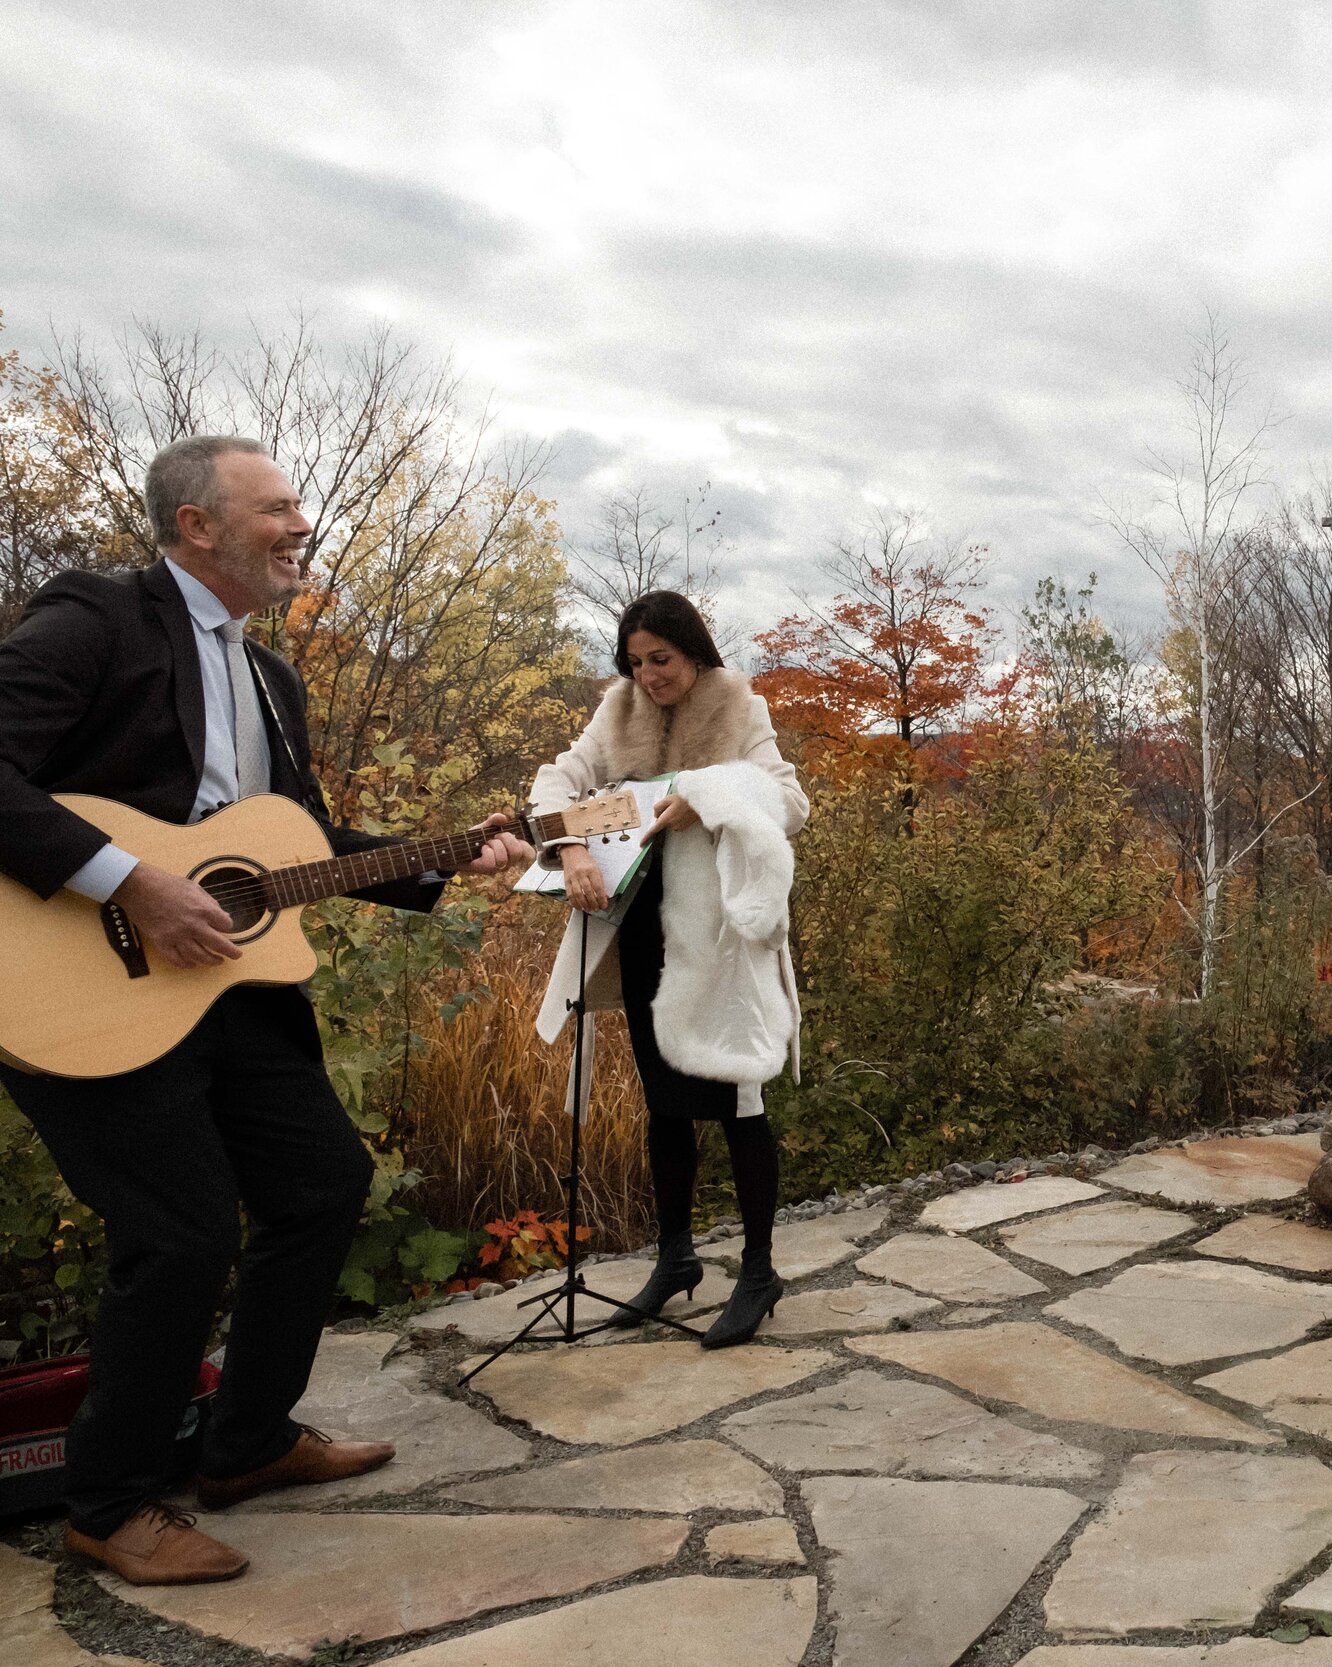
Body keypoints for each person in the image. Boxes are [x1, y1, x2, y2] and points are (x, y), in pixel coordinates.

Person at [0, 436, 531, 1585]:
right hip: (74, 979)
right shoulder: (98, 619)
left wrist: (451, 857)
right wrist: (132, 881)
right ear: (198, 526)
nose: (303, 524)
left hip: (221, 985)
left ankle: (244, 1444)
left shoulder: (270, 680)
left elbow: (293, 850)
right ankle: (108, 1501)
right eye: (279, 506)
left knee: (320, 1182)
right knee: (180, 1230)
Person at [529, 592, 807, 1349]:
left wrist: (704, 795)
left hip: (721, 938)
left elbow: (789, 799)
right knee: (663, 1100)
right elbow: (555, 782)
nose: (648, 674)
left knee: (739, 1096)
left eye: (662, 659)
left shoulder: (738, 705)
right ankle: (676, 1257)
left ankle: (757, 1272)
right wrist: (572, 848)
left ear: (694, 652)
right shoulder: (615, 713)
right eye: (636, 661)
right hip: (642, 930)